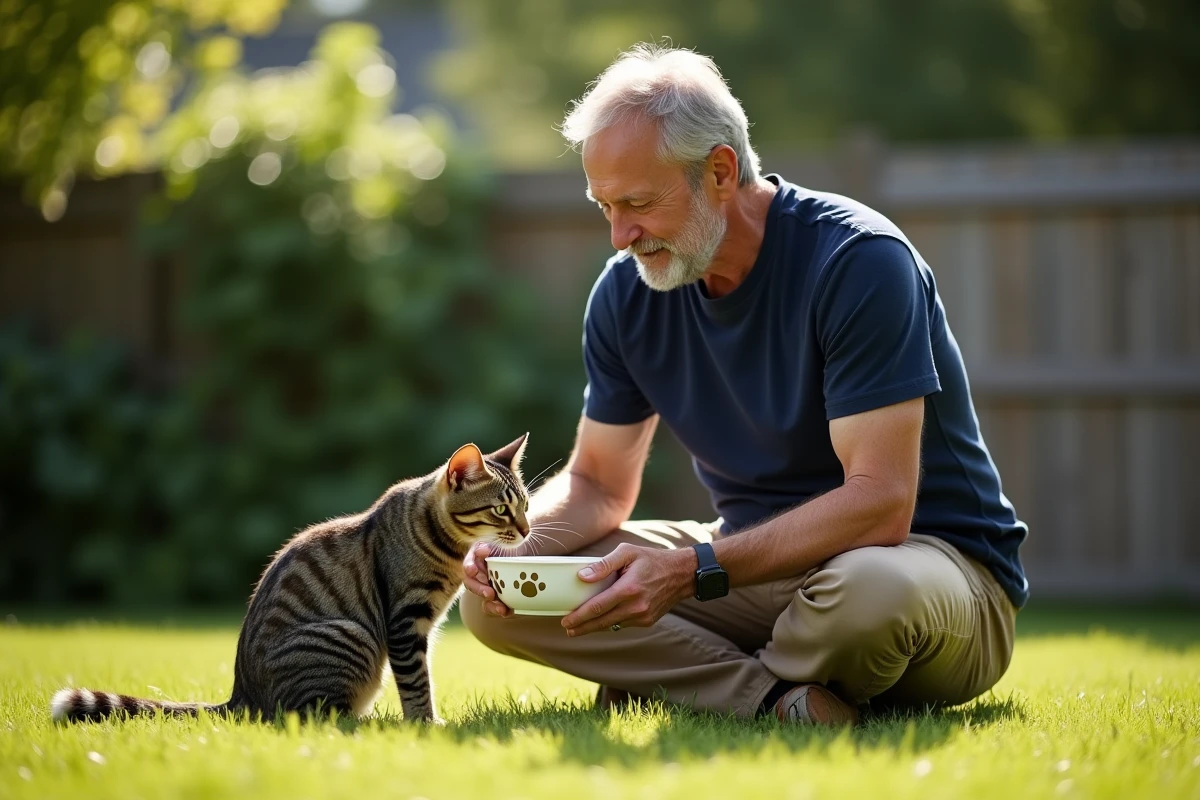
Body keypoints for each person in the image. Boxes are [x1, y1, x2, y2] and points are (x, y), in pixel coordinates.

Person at [460, 43, 1028, 725]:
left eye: (638, 203)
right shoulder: (626, 296)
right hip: (747, 568)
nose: (618, 236)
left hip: (921, 569)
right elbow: (598, 485)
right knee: (502, 598)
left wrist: (693, 571)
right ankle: (775, 702)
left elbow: (881, 504)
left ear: (720, 173)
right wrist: (515, 549)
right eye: (604, 206)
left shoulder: (858, 262)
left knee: (866, 593)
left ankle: (674, 677)